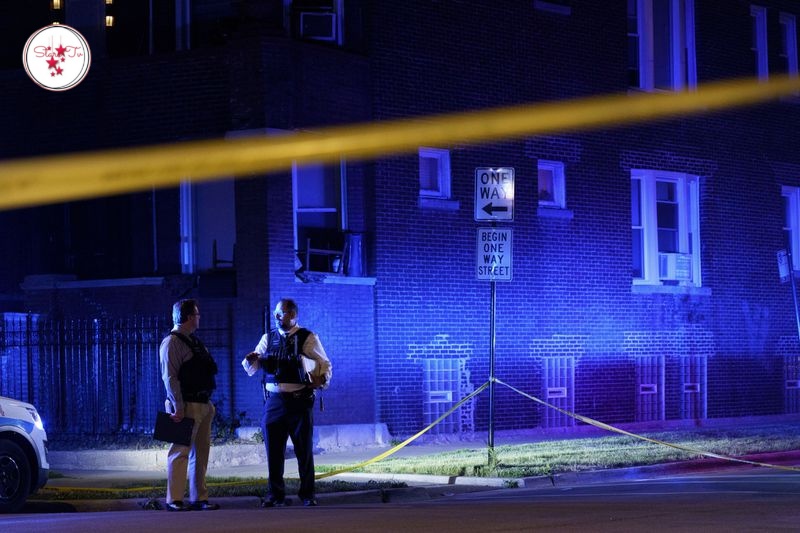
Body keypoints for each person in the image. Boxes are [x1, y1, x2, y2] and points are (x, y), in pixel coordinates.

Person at [242, 297, 332, 507]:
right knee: (273, 450)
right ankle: (275, 494)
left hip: (300, 400)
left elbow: (324, 363)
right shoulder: (268, 338)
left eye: (280, 313)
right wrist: (250, 360)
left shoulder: (307, 337)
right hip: (274, 401)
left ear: (292, 315)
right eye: (276, 313)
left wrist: (322, 380)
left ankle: (307, 494)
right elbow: (251, 367)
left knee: (304, 449)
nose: (276, 316)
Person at [159, 299, 220, 512]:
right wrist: (177, 405)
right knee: (179, 452)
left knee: (200, 454)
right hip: (184, 404)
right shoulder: (172, 342)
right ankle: (174, 499)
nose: (199, 317)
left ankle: (199, 498)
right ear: (188, 317)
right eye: (197, 314)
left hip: (202, 404)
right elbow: (170, 377)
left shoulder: (193, 341)